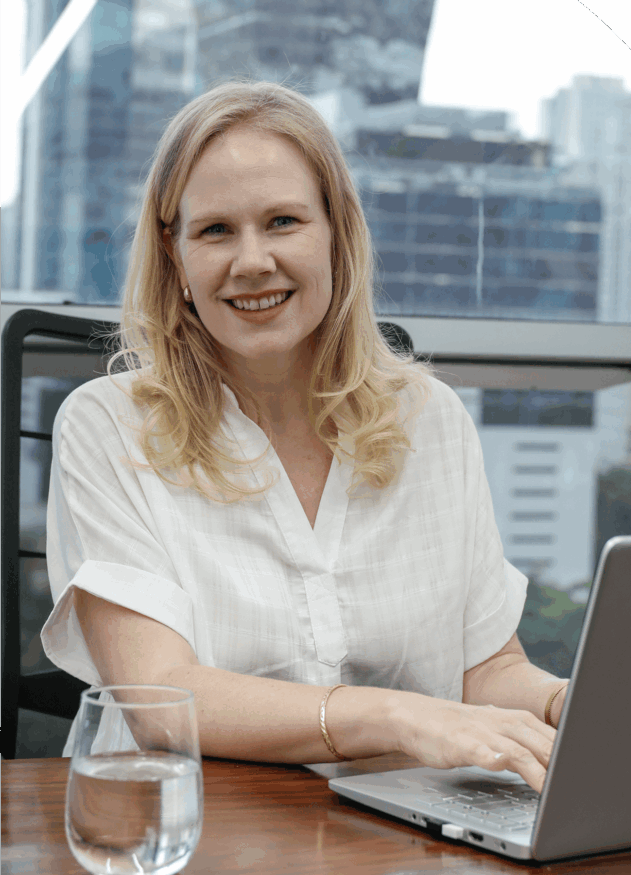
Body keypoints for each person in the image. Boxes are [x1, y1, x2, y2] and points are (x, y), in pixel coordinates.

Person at [42, 81, 569, 791]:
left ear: (335, 234)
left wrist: (562, 701)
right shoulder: (106, 426)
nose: (252, 261)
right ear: (175, 257)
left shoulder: (432, 419)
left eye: (283, 221)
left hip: (405, 835)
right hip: (193, 827)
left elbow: (487, 668)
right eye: (215, 231)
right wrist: (396, 716)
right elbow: (158, 697)